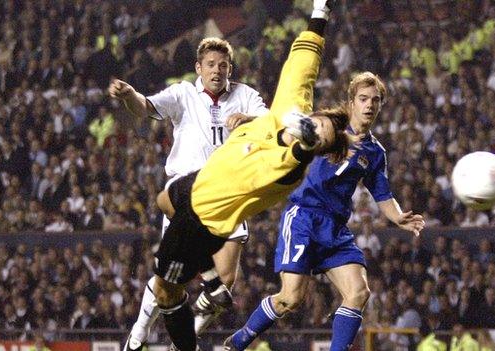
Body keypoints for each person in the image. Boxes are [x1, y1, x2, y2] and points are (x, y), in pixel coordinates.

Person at [147, 1, 350, 350]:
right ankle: (209, 277)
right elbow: (303, 65)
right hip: (195, 180)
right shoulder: (291, 109)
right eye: (319, 122)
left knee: (166, 291)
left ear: (318, 149)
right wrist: (320, 12)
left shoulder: (289, 168)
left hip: (203, 218)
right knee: (163, 198)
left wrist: (304, 143)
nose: (317, 129)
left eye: (323, 138)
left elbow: (293, 155)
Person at [223, 72, 425, 350]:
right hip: (303, 217)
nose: (369, 105)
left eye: (375, 101)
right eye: (363, 99)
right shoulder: (330, 127)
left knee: (358, 292)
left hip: (336, 230)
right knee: (290, 299)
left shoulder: (375, 152)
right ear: (351, 102)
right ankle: (242, 337)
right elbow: (285, 123)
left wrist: (399, 217)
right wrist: (251, 121)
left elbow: (383, 194)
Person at [108, 35, 269, 351]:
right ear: (199, 67)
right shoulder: (183, 93)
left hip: (229, 194)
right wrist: (128, 95)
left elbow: (270, 121)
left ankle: (184, 338)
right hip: (186, 193)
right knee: (171, 279)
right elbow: (145, 107)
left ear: (230, 68)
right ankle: (139, 334)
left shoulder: (245, 95)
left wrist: (249, 119)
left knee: (224, 284)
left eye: (223, 65)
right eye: (210, 64)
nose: (217, 70)